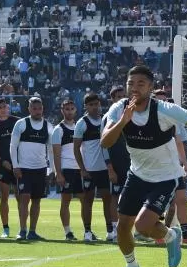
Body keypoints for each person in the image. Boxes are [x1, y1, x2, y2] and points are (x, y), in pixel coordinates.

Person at [101, 65, 187, 267]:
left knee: (142, 226)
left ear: (151, 88)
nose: (134, 88)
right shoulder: (119, 109)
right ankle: (132, 266)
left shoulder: (163, 110)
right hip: (137, 174)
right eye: (130, 83)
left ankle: (171, 236)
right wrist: (124, 120)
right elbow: (105, 141)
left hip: (165, 177)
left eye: (140, 84)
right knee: (123, 224)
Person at [155, 91, 187, 245]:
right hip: (156, 168)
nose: (163, 103)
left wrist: (184, 162)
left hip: (174, 166)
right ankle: (157, 233)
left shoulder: (173, 120)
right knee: (155, 202)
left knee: (181, 200)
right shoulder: (148, 120)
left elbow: (179, 141)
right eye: (159, 100)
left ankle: (185, 235)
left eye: (165, 100)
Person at [73, 93, 117, 242]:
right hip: (90, 171)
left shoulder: (106, 120)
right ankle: (87, 231)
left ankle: (110, 231)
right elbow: (76, 148)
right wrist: (82, 169)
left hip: (105, 169)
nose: (94, 107)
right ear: (86, 106)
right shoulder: (82, 123)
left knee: (108, 200)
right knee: (87, 200)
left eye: (96, 104)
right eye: (91, 105)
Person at [10, 96, 52, 240]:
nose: (37, 111)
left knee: (37, 200)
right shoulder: (21, 124)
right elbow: (13, 146)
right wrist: (15, 166)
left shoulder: (48, 126)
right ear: (29, 109)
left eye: (39, 108)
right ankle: (22, 230)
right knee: (24, 199)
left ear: (42, 109)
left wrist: (50, 170)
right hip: (24, 169)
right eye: (34, 108)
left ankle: (32, 231)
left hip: (40, 169)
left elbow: (51, 149)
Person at [52, 99, 86, 240]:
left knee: (86, 201)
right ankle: (68, 232)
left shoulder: (80, 127)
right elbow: (56, 153)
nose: (70, 111)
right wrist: (58, 173)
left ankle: (87, 230)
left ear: (75, 110)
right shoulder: (58, 130)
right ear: (62, 111)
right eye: (67, 109)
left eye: (72, 108)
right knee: (65, 201)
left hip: (80, 170)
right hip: (66, 169)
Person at [103, 85, 130, 242]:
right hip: (116, 164)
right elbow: (103, 144)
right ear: (112, 99)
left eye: (123, 96)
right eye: (117, 97)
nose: (121, 99)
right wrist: (110, 168)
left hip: (131, 162)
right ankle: (114, 229)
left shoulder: (130, 115)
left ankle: (128, 228)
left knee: (130, 196)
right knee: (115, 196)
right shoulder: (108, 117)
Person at [0, 98, 19, 238]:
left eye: (4, 107)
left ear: (8, 107)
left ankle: (23, 228)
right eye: (0, 107)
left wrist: (17, 162)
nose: (3, 109)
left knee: (21, 198)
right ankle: (5, 228)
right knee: (4, 198)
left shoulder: (17, 122)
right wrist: (2, 162)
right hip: (3, 166)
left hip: (18, 165)